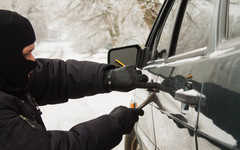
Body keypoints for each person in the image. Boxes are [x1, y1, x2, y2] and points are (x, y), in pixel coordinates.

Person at [0, 9, 150, 150]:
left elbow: (56, 76)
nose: (33, 61)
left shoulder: (8, 79)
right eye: (27, 54)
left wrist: (107, 77)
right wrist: (113, 125)